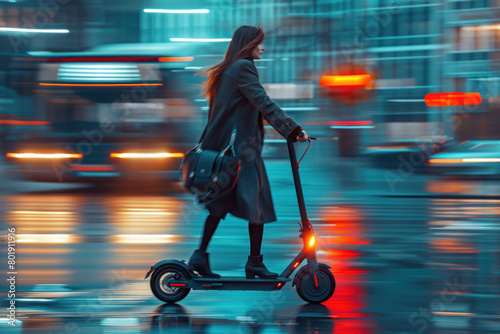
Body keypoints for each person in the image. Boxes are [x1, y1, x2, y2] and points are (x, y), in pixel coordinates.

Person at [188, 25, 309, 279]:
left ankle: (199, 255)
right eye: (259, 43)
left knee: (219, 205)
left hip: (223, 152)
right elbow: (263, 102)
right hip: (242, 152)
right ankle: (254, 262)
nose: (263, 48)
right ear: (248, 44)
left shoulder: (226, 71)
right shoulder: (243, 68)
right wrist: (293, 130)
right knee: (258, 204)